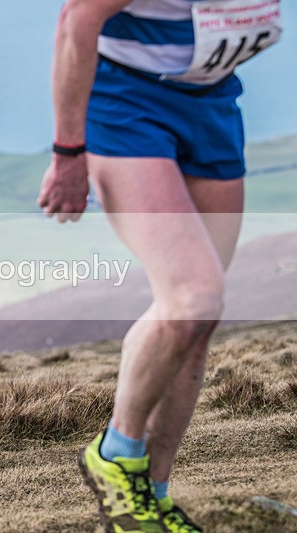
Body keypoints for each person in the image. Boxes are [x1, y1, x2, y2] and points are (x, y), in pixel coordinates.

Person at [39, 1, 281, 531]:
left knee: (198, 323)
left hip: (214, 102)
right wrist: (68, 153)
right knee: (193, 297)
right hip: (127, 106)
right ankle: (115, 452)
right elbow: (76, 18)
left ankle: (151, 498)